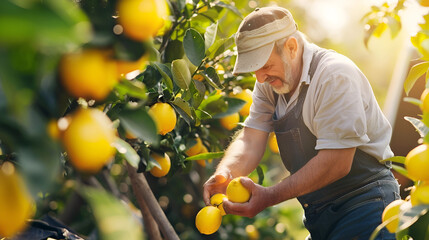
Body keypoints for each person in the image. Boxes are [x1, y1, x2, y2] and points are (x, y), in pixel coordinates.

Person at [203, 6, 400, 240]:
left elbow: (336, 162)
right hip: (320, 214)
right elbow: (250, 138)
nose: (260, 78)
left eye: (265, 66)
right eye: (255, 69)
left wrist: (269, 195)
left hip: (365, 207)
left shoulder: (335, 76)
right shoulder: (269, 83)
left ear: (292, 47)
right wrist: (225, 174)